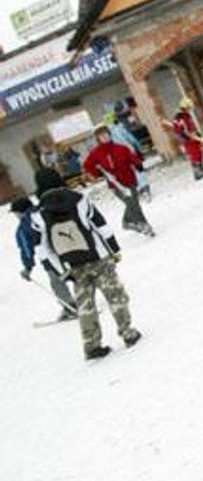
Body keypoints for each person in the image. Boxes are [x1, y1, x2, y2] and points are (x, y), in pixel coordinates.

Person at [29, 167, 143, 360]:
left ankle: (92, 346)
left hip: (73, 265)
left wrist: (59, 270)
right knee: (114, 295)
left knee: (85, 305)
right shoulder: (79, 200)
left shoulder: (37, 215)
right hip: (98, 257)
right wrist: (113, 249)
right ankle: (127, 332)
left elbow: (42, 249)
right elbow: (100, 226)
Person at [11, 196, 78, 321]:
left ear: (20, 212)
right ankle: (87, 298)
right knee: (77, 274)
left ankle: (70, 306)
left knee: (57, 281)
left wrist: (28, 268)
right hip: (67, 248)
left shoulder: (24, 227)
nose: (16, 216)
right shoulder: (45, 212)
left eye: (15, 213)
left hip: (48, 257)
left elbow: (26, 249)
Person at [82, 125, 155, 236]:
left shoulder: (120, 148)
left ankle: (128, 222)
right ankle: (142, 224)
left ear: (109, 134)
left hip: (130, 180)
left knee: (134, 203)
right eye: (101, 136)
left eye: (106, 134)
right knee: (131, 203)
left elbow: (132, 157)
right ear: (98, 138)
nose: (105, 137)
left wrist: (138, 164)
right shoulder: (96, 153)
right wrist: (98, 173)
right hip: (116, 184)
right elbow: (87, 165)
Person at [170, 98, 203, 180]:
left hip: (193, 138)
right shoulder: (178, 118)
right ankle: (197, 172)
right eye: (188, 108)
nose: (189, 110)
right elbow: (178, 130)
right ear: (184, 108)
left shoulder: (187, 116)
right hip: (187, 140)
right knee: (194, 155)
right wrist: (186, 136)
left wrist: (197, 133)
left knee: (199, 153)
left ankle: (201, 168)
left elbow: (191, 126)